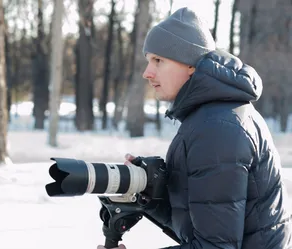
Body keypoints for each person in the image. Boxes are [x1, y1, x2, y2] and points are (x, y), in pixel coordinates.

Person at [97, 7, 292, 249]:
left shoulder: (217, 128)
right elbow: (204, 229)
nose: (147, 73)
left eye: (159, 60)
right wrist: (152, 196)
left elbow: (215, 246)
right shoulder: (217, 115)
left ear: (190, 65)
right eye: (149, 61)